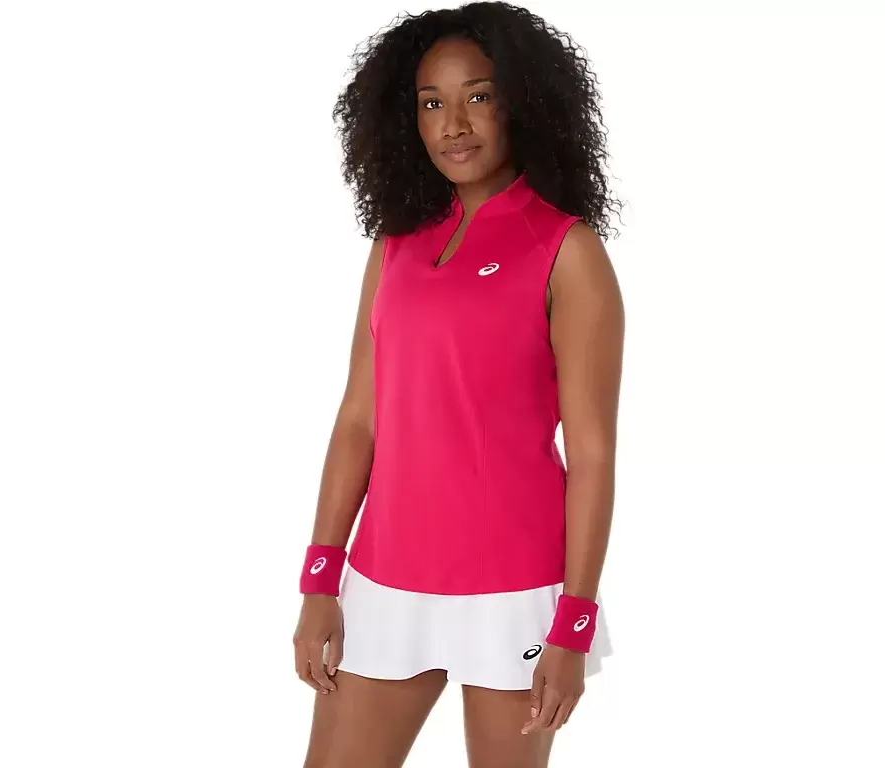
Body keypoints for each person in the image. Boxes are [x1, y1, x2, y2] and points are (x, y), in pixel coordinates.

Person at [293, 3, 624, 766]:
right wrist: (320, 579)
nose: (454, 124)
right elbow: (359, 420)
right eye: (431, 103)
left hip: (514, 588)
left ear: (522, 102)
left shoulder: (566, 250)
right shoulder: (396, 244)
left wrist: (574, 623)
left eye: (479, 96)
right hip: (385, 575)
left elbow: (593, 456)